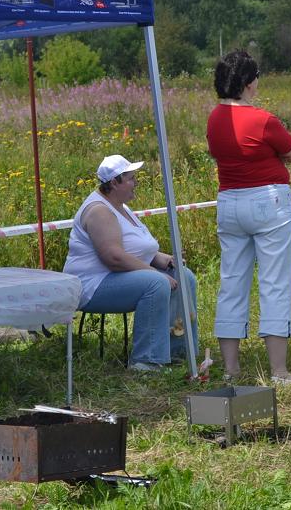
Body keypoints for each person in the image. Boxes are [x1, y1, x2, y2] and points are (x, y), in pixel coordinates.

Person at [207, 50, 291, 386]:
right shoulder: (263, 119)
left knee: (231, 283)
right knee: (274, 283)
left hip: (229, 201)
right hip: (267, 200)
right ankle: (279, 371)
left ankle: (231, 368)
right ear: (249, 83)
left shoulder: (214, 118)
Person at [64, 154, 198, 372]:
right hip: (92, 285)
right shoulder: (99, 211)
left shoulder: (121, 207)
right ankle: (146, 361)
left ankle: (178, 352)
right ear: (114, 183)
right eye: (131, 179)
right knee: (155, 283)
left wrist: (162, 259)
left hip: (115, 277)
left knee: (184, 276)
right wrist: (154, 272)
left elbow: (135, 248)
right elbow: (113, 257)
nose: (136, 183)